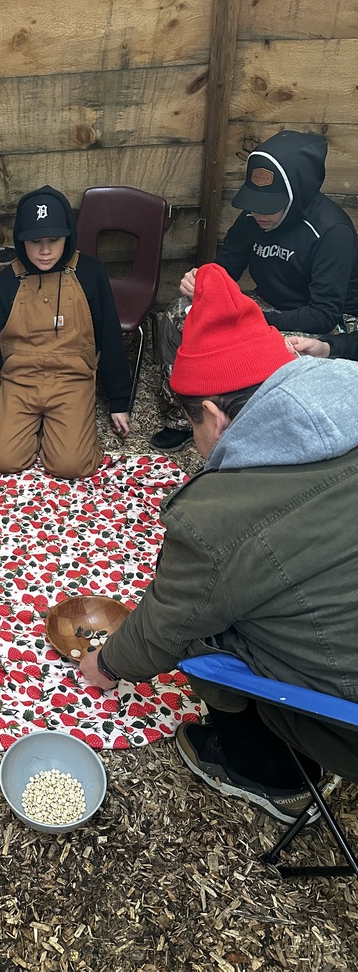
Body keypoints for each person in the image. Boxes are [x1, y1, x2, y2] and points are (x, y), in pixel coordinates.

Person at [80, 263, 358, 824]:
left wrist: (107, 662)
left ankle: (266, 769)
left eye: (195, 429)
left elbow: (167, 623)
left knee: (208, 635)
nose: (200, 448)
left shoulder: (219, 517)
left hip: (346, 714)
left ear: (213, 414)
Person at [151, 130, 358, 451]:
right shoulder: (252, 219)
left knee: (281, 348)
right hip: (271, 305)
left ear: (297, 195)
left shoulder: (333, 232)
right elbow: (223, 271)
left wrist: (255, 322)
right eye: (254, 201)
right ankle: (187, 417)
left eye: (269, 205)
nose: (258, 212)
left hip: (328, 321)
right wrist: (201, 281)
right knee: (181, 311)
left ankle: (257, 430)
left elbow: (324, 314)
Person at [0, 186, 131, 478]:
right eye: (35, 241)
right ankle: (34, 431)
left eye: (54, 240)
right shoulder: (8, 280)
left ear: (68, 236)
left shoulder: (90, 273)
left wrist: (119, 401)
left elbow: (108, 336)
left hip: (72, 380)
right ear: (20, 239)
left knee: (70, 466)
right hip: (21, 381)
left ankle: (61, 434)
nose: (45, 250)